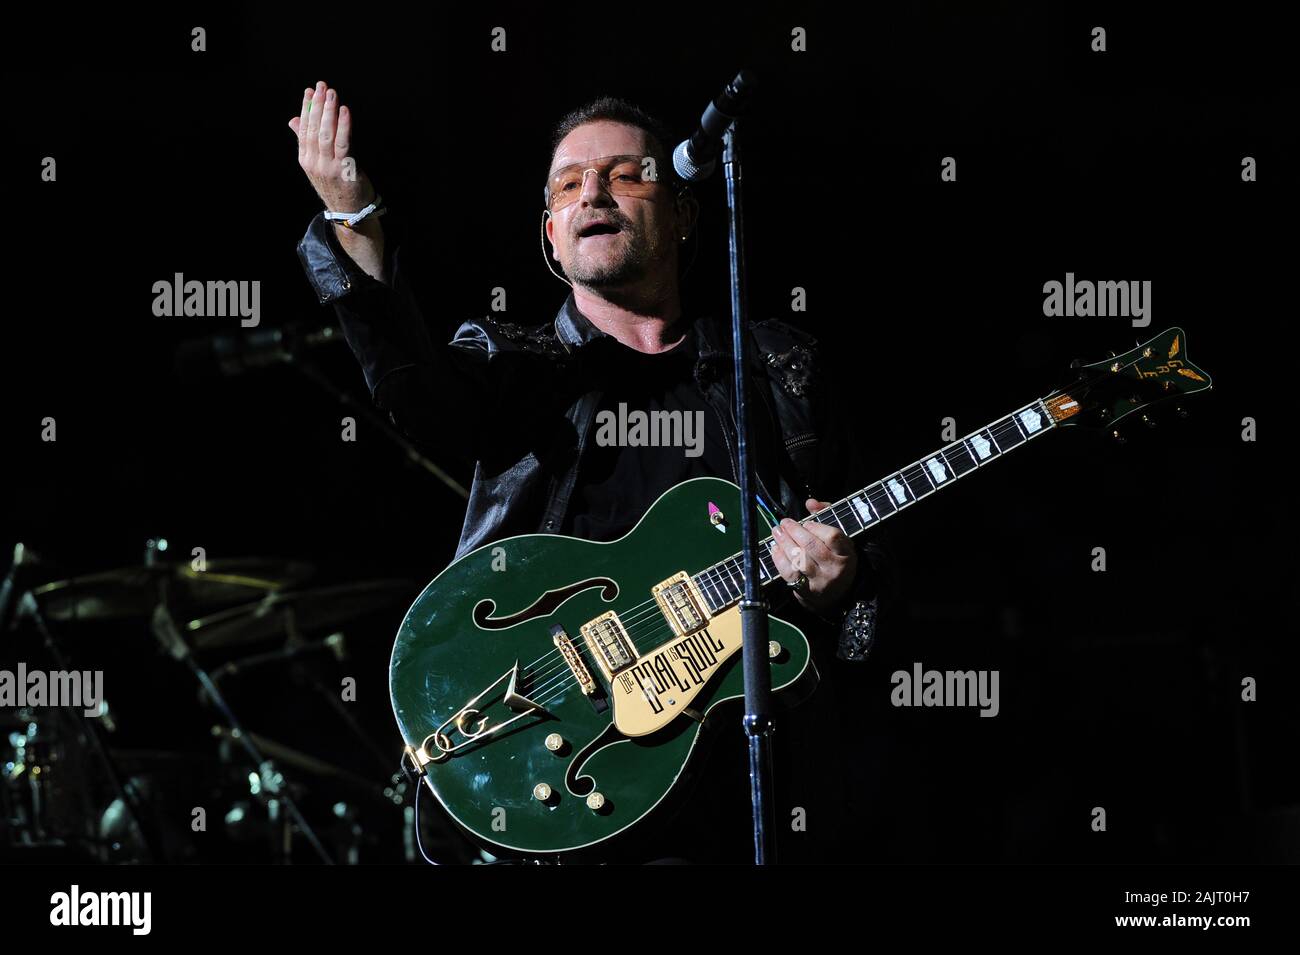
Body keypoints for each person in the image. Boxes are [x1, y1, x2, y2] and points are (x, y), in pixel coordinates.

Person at [290, 80, 896, 863]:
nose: (593, 193)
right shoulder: (513, 366)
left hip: (742, 802)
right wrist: (353, 217)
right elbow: (415, 393)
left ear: (681, 212)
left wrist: (845, 582)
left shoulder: (780, 370)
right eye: (569, 184)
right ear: (550, 233)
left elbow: (875, 587)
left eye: (624, 173)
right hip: (562, 778)